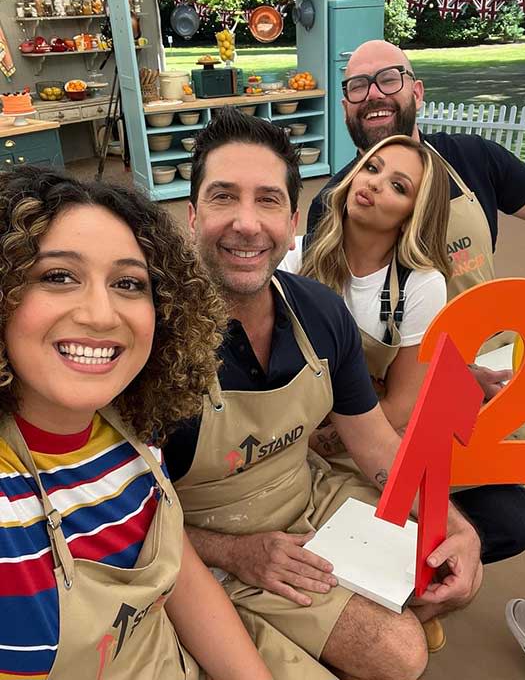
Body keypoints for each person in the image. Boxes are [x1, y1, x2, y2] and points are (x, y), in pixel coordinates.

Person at [166, 107, 484, 680]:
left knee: (437, 574)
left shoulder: (320, 311)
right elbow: (124, 517)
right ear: (191, 216)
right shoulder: (152, 344)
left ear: (293, 222)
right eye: (222, 197)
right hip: (203, 535)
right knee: (401, 653)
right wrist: (233, 552)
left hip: (310, 491)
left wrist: (459, 530)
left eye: (267, 200)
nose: (246, 223)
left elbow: (377, 447)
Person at [307, 39, 525, 677]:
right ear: (345, 107)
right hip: (391, 392)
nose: (373, 96)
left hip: (489, 371)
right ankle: (408, 595)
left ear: (417, 89)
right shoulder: (333, 207)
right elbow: (329, 338)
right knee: (487, 515)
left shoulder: (474, 158)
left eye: (388, 79)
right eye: (357, 86)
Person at [0, 166, 273, 680]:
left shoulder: (130, 433)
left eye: (128, 283)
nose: (102, 315)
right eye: (59, 276)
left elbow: (181, 580)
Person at [280, 134, 451, 434]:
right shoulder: (293, 257)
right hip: (287, 435)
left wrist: (322, 443)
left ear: (413, 215)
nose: (374, 183)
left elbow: (401, 406)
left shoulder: (421, 285)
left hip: (373, 436)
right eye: (371, 168)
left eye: (398, 187)